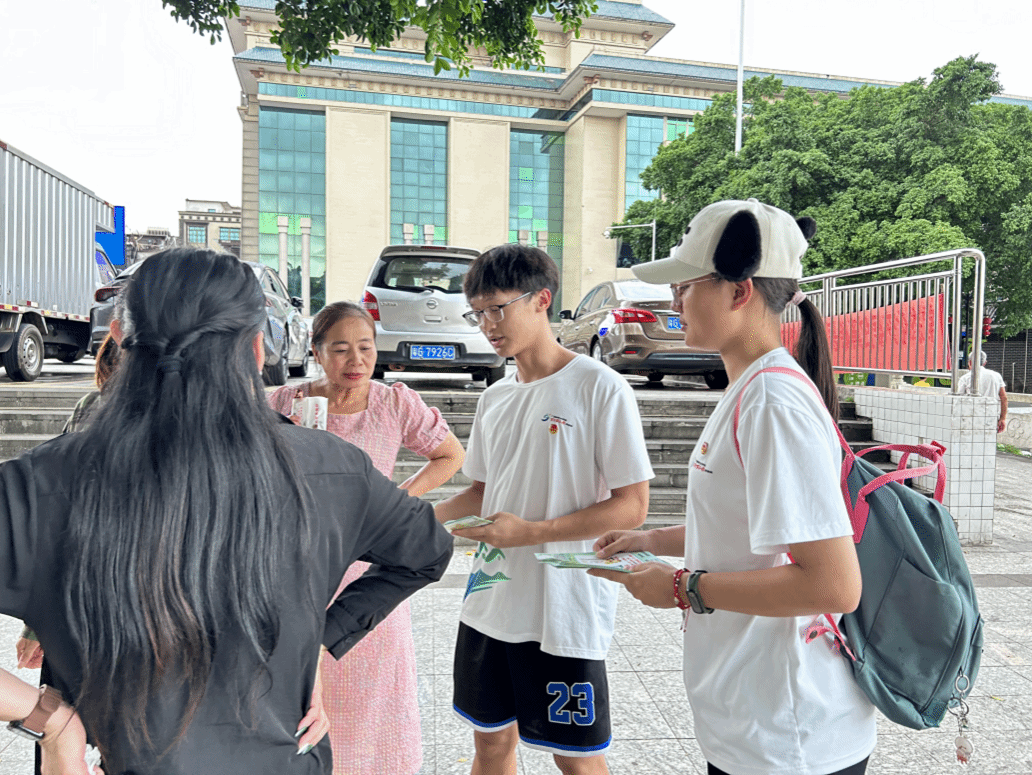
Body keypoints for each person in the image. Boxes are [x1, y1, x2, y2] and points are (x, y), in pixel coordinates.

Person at [0, 248, 453, 774]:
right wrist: (319, 639)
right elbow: (428, 552)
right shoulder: (333, 469)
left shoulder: (40, 484)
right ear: (258, 350)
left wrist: (49, 720)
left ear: (119, 339)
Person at [589, 199, 877, 775]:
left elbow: (833, 585)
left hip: (789, 739)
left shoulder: (773, 402)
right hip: (753, 720)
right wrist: (654, 539)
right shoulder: (750, 388)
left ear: (740, 291)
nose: (674, 301)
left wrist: (682, 587)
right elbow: (750, 525)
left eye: (684, 286)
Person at [435, 244, 654, 775]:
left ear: (542, 300)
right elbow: (482, 494)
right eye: (477, 313)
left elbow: (632, 507)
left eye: (497, 308)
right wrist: (409, 517)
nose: (488, 325)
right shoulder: (495, 398)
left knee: (575, 759)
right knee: (491, 745)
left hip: (564, 609)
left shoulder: (599, 386)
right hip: (490, 602)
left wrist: (531, 532)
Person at [268, 301, 465, 775]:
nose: (356, 361)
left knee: (372, 692)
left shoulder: (393, 402)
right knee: (301, 692)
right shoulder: (284, 404)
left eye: (366, 348)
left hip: (372, 575)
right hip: (300, 566)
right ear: (316, 352)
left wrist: (393, 504)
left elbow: (449, 455)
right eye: (340, 349)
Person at [958, 347, 1008, 433]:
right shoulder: (996, 376)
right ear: (984, 363)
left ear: (970, 362)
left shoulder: (965, 378)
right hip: (992, 416)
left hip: (971, 417)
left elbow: (959, 399)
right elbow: (1004, 398)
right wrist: (1002, 418)